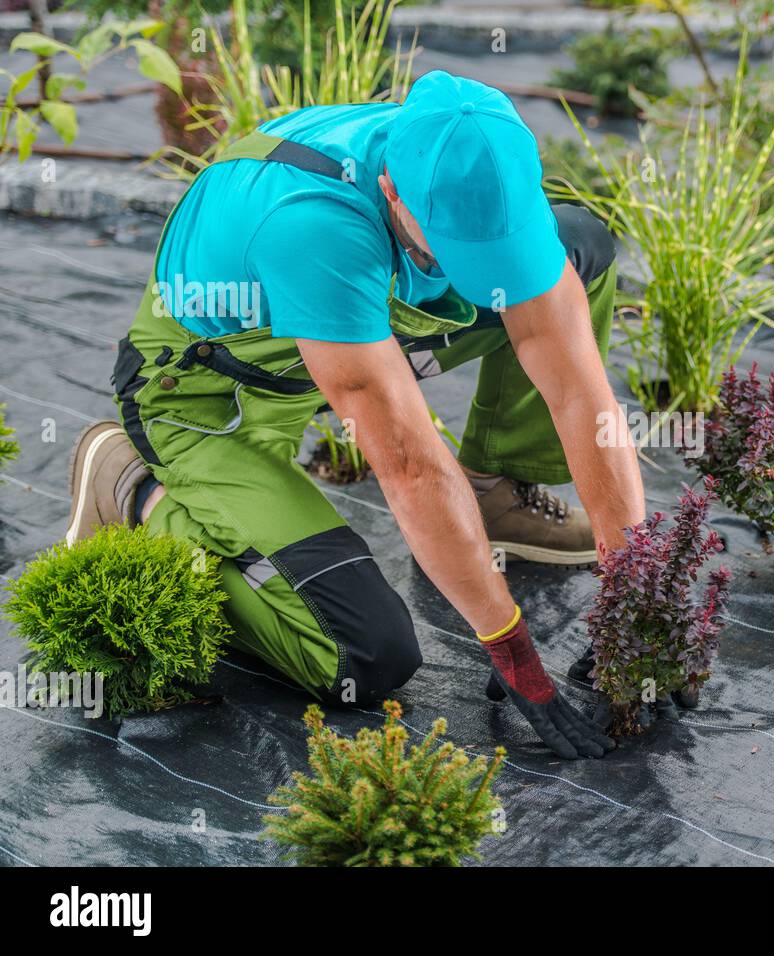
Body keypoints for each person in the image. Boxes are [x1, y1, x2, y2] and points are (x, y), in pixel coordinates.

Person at [63, 71, 645, 759]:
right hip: (214, 400)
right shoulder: (316, 224)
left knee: (582, 253)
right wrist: (509, 643)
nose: (479, 274)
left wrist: (634, 600)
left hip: (338, 336)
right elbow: (406, 463)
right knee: (365, 657)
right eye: (452, 252)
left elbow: (583, 396)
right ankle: (137, 488)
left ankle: (494, 491)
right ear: (394, 189)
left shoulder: (466, 171)